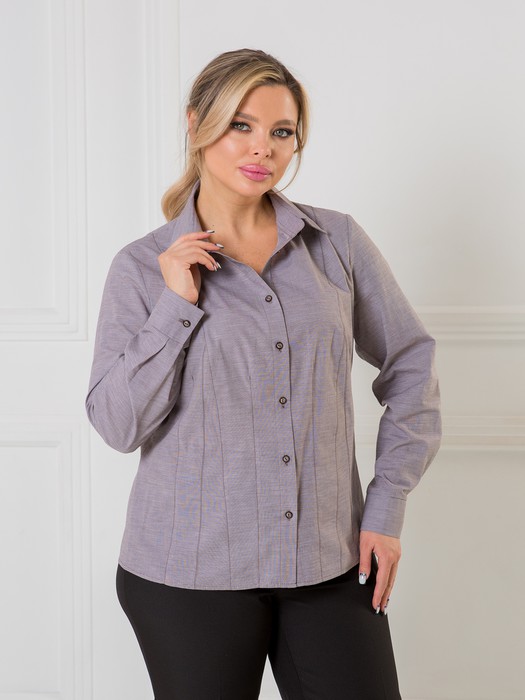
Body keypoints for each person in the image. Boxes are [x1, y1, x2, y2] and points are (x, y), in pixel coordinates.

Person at [86, 48, 441, 699]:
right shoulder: (142, 267)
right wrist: (176, 305)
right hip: (188, 576)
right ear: (196, 124)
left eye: (281, 131)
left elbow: (411, 365)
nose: (263, 148)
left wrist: (386, 508)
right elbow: (117, 425)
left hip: (329, 562)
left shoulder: (336, 243)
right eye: (240, 125)